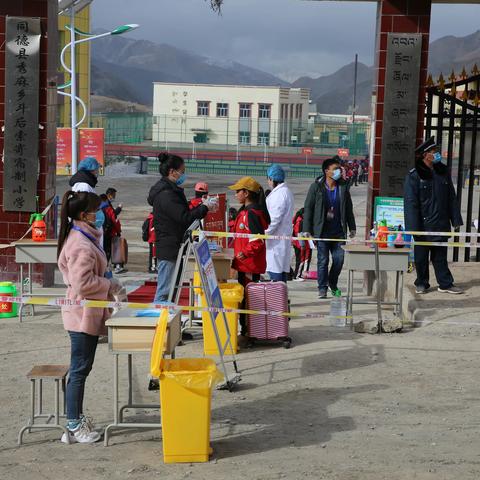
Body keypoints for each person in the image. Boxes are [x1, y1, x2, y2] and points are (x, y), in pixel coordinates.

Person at [57, 190, 123, 444]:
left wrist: (108, 281)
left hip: (86, 311)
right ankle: (74, 424)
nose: (99, 214)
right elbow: (82, 283)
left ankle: (76, 419)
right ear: (84, 215)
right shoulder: (81, 244)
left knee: (81, 368)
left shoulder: (84, 236)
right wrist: (110, 284)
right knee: (80, 369)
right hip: (81, 314)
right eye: (96, 210)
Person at [147, 153, 216, 302]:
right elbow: (184, 217)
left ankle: (168, 321)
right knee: (165, 292)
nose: (183, 175)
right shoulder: (166, 194)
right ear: (172, 172)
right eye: (182, 171)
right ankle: (160, 322)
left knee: (171, 290)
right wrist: (204, 207)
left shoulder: (171, 191)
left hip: (174, 245)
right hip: (169, 247)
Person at [404, 136, 463, 295]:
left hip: (441, 222)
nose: (436, 154)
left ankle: (445, 283)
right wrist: (413, 228)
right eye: (433, 151)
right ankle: (422, 282)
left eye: (436, 151)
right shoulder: (415, 175)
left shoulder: (442, 172)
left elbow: (451, 196)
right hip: (423, 224)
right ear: (425, 155)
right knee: (421, 258)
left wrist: (455, 219)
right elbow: (411, 203)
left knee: (440, 256)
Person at [303, 157, 356, 299]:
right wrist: (307, 229)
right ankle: (322, 288)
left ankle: (332, 282)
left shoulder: (343, 187)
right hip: (322, 232)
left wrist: (352, 227)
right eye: (335, 169)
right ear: (327, 171)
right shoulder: (316, 187)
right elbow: (308, 208)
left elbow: (348, 208)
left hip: (338, 232)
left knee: (339, 260)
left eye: (339, 169)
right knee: (323, 261)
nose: (339, 171)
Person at [228, 176, 270, 335]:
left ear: (246, 193)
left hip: (249, 265)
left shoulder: (251, 214)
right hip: (244, 263)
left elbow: (257, 241)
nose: (235, 194)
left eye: (238, 191)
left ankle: (249, 330)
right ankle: (247, 329)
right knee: (245, 297)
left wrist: (242, 254)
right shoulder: (245, 211)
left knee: (248, 299)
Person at [264, 164, 294, 282]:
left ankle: (278, 299)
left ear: (271, 179)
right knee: (280, 271)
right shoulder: (285, 192)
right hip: (280, 238)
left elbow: (275, 219)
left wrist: (264, 233)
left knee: (275, 272)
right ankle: (282, 298)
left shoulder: (279, 195)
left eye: (268, 179)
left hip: (276, 240)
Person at [99, 194, 121, 265]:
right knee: (108, 250)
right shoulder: (108, 208)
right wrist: (118, 231)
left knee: (101, 249)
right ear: (106, 200)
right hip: (109, 233)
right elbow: (115, 221)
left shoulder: (96, 208)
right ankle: (106, 266)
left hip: (99, 233)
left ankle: (101, 265)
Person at [292, 208, 312, 281]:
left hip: (302, 244)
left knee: (304, 260)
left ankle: (301, 274)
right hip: (300, 244)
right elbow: (299, 234)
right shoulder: (300, 221)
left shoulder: (299, 220)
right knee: (300, 260)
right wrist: (302, 245)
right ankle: (296, 276)